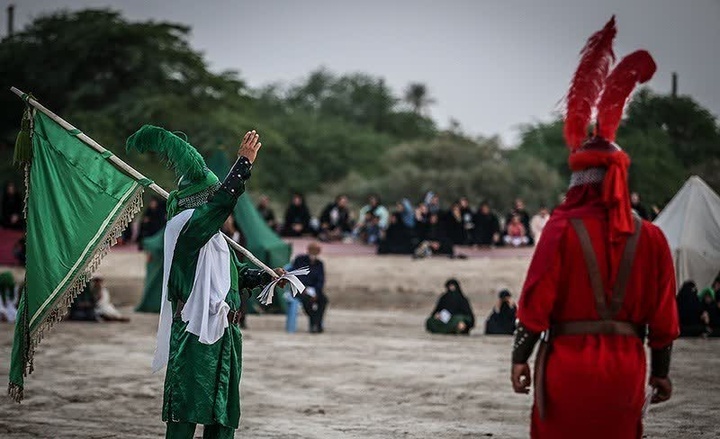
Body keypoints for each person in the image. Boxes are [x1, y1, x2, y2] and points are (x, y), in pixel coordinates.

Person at [511, 19, 678, 439]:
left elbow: (536, 301)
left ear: (580, 179)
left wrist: (520, 357)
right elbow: (663, 316)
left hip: (567, 366)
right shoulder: (653, 237)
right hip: (626, 370)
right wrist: (661, 372)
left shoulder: (560, 229)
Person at [127, 126, 286, 439]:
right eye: (211, 200)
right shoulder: (185, 232)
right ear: (201, 203)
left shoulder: (216, 241)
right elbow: (222, 204)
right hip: (193, 338)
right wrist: (243, 164)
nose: (219, 208)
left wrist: (267, 277)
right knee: (186, 411)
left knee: (223, 416)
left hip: (226, 335)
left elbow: (237, 275)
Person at [291, 242, 327, 333]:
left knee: (323, 300)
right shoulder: (300, 260)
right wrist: (303, 288)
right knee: (307, 300)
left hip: (314, 290)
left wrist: (317, 292)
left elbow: (321, 280)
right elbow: (296, 275)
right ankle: (316, 324)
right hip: (299, 289)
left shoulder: (319, 264)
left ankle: (314, 324)